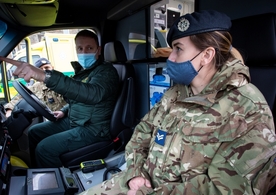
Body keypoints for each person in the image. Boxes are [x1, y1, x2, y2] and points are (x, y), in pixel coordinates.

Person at [78, 10, 276, 195]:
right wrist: (136, 173)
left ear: (206, 55)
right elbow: (142, 133)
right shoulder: (176, 93)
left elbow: (225, 188)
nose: (170, 58)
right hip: (138, 182)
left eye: (178, 49)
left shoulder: (247, 108)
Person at [0, 29, 120, 168]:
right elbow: (78, 97)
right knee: (34, 132)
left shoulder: (107, 71)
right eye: (80, 48)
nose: (84, 52)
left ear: (99, 50)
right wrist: (65, 110)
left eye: (89, 48)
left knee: (44, 149)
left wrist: (45, 76)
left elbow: (92, 94)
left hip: (94, 128)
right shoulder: (85, 71)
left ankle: (56, 185)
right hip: (76, 119)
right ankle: (38, 172)